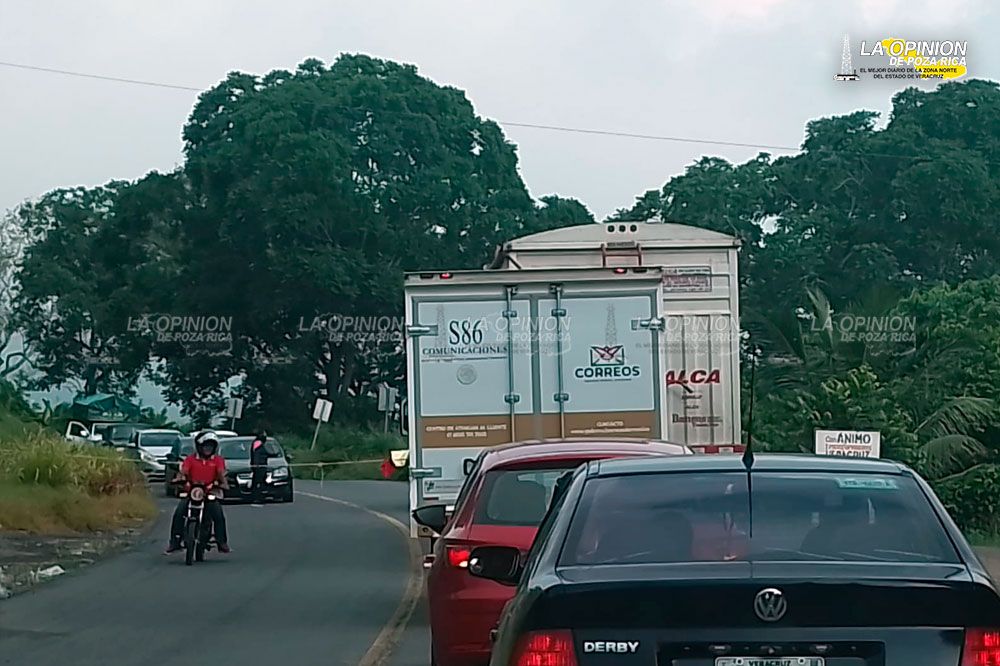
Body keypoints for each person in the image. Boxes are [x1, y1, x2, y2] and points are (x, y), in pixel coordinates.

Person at [165, 430, 231, 554]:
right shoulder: (190, 459)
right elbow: (183, 471)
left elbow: (222, 474)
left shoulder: (218, 460)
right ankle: (175, 541)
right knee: (179, 513)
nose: (208, 449)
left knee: (218, 515)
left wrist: (224, 484)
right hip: (192, 492)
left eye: (211, 446)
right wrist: (179, 479)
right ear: (199, 446)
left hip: (210, 491)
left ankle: (222, 542)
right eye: (206, 446)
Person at [250, 431, 269, 504]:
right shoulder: (257, 443)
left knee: (259, 482)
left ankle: (259, 497)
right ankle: (257, 498)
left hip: (261, 466)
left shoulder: (260, 444)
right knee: (258, 483)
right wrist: (256, 464)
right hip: (259, 466)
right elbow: (256, 455)